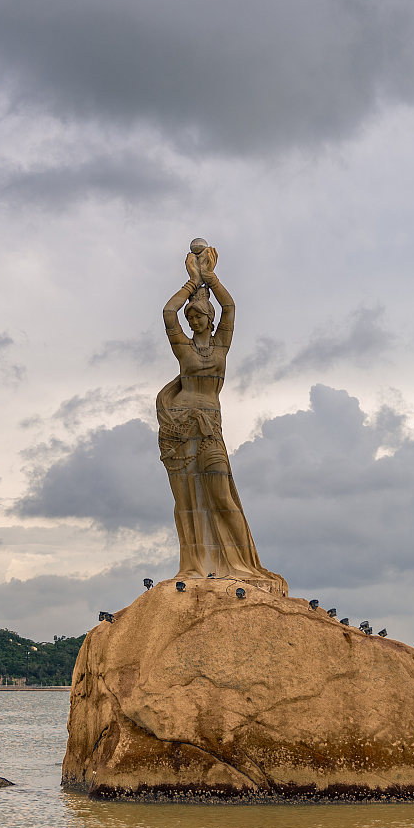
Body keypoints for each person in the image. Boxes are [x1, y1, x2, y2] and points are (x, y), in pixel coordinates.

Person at [156, 240, 272, 580]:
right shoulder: (184, 349)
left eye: (198, 314)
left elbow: (231, 308)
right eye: (189, 315)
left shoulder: (221, 344)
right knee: (186, 503)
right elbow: (167, 313)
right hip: (179, 429)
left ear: (209, 317)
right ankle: (196, 565)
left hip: (210, 431)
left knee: (222, 496)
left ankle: (245, 567)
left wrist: (210, 277)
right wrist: (192, 285)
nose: (193, 319)